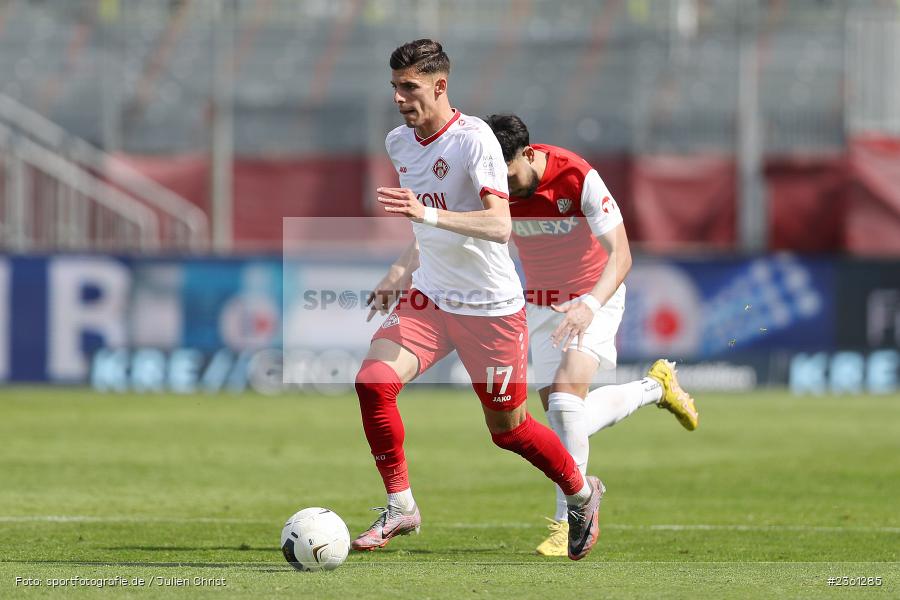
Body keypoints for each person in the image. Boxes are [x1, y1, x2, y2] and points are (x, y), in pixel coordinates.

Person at [353, 40, 602, 561]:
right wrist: (403, 267)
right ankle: (401, 505)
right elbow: (428, 221)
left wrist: (426, 216)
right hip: (432, 298)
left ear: (439, 86)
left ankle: (581, 494)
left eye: (409, 87)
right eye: (394, 86)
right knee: (373, 383)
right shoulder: (399, 142)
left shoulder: (475, 141)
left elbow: (498, 223)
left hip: (489, 309)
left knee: (508, 432)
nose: (399, 97)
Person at [485, 114, 699, 556]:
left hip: (592, 295)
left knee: (564, 404)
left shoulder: (577, 176)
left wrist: (591, 305)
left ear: (527, 153)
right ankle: (654, 387)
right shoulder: (489, 180)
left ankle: (571, 517)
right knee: (567, 419)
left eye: (508, 173)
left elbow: (621, 256)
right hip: (540, 304)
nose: (501, 185)